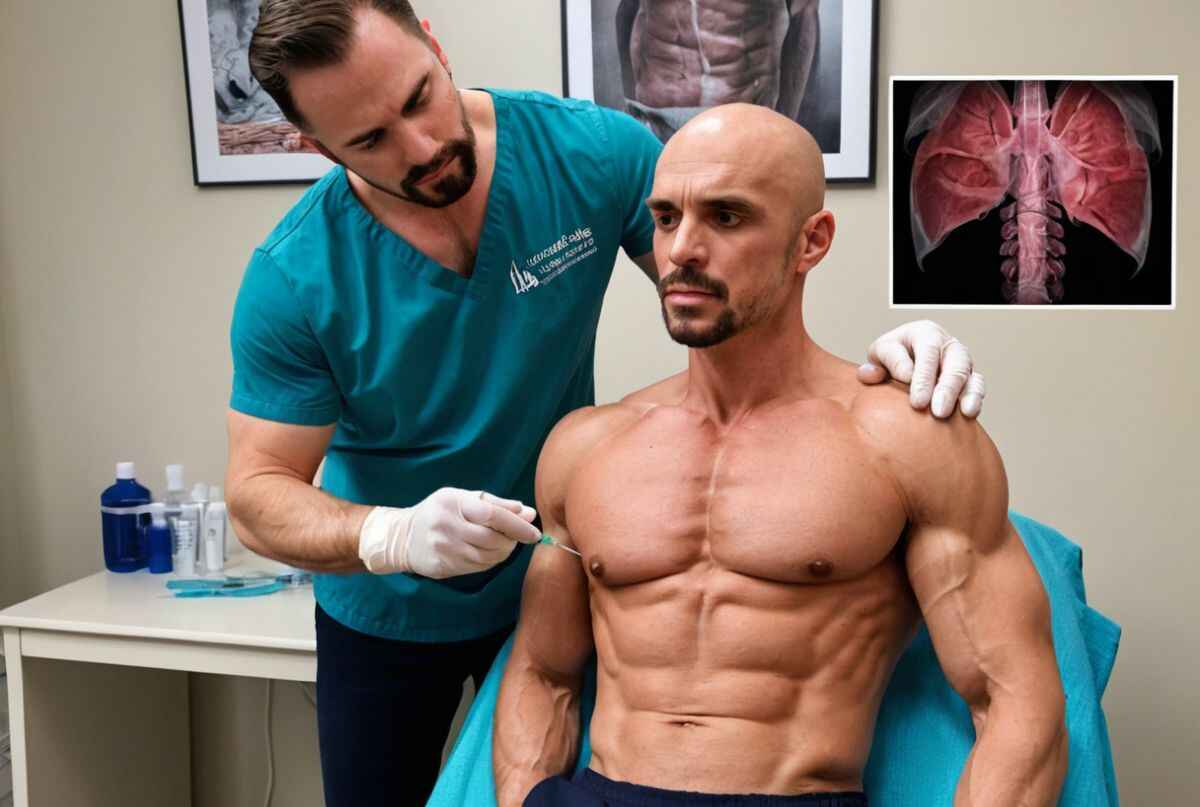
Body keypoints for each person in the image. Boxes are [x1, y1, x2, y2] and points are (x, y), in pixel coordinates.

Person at [224, 2, 986, 805]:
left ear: (435, 48)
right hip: (388, 606)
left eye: (419, 98)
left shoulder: (587, 155)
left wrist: (883, 370)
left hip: (561, 565)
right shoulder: (295, 277)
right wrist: (393, 533)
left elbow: (729, 298)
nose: (421, 146)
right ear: (313, 147)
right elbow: (257, 493)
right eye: (370, 139)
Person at [493, 104, 1065, 807]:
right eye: (666, 217)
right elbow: (543, 673)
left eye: (727, 217)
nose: (681, 251)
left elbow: (1015, 700)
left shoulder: (903, 439)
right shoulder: (585, 446)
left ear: (811, 241)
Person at [616, 0, 820, 140]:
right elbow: (628, 10)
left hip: (742, 121)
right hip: (654, 116)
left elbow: (802, 19)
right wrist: (632, 110)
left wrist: (785, 127)